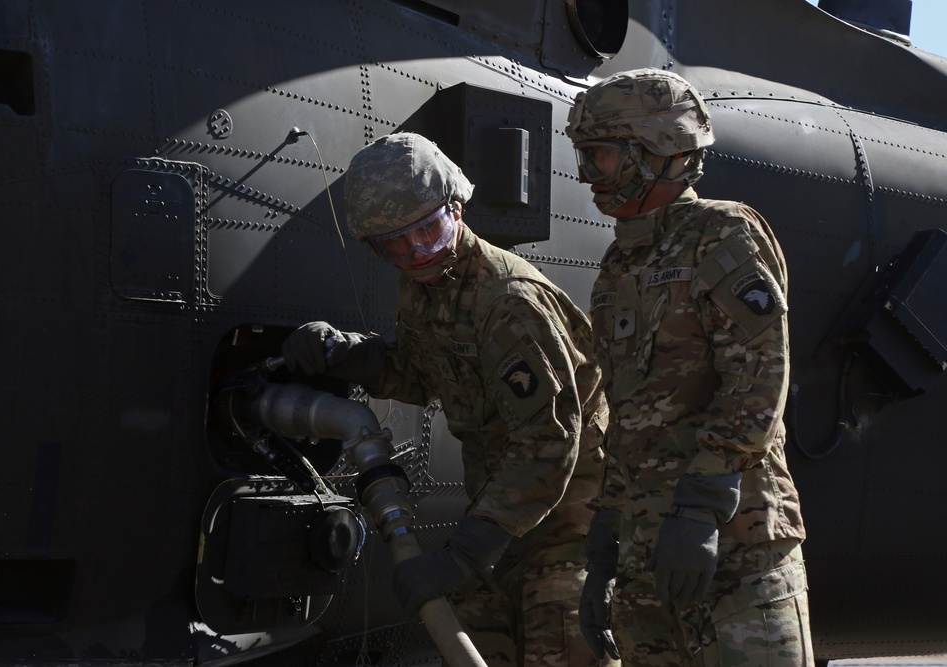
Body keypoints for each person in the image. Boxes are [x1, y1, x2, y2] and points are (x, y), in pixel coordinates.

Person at [282, 132, 616, 667]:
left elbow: (550, 442)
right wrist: (353, 357)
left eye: (429, 231)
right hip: (504, 511)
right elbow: (426, 374)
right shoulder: (427, 285)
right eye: (396, 244)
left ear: (456, 210)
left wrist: (464, 556)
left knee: (564, 644)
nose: (417, 253)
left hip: (570, 520)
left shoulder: (507, 303)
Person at [565, 68, 813, 666]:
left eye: (599, 156)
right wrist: (606, 539)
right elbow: (627, 418)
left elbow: (760, 374)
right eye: (584, 156)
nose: (586, 175)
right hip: (648, 557)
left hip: (734, 553)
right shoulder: (618, 268)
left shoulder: (720, 234)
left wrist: (700, 506)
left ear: (659, 151)